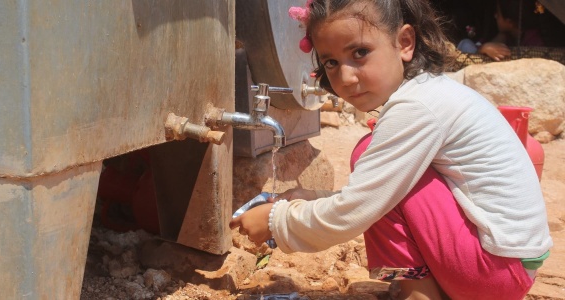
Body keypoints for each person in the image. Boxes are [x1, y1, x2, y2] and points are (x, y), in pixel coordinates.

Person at [229, 0, 553, 299]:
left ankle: (420, 293)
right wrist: (311, 197)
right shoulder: (429, 92)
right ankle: (421, 286)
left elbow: (355, 212)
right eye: (331, 62)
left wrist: (276, 222)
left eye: (359, 53)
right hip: (505, 267)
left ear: (404, 43)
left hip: (493, 275)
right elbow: (373, 193)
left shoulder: (417, 107)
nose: (346, 77)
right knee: (376, 163)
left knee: (369, 156)